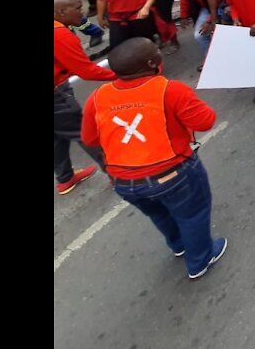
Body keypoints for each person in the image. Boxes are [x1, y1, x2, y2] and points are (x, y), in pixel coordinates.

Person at [81, 38, 227, 280]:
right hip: (174, 173)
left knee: (159, 214)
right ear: (152, 63)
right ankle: (200, 259)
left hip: (123, 181)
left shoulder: (97, 97)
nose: (160, 53)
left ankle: (178, 245)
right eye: (157, 51)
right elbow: (205, 121)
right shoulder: (171, 89)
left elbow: (90, 138)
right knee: (192, 215)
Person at [54, 0, 111, 194]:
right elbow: (86, 71)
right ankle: (117, 174)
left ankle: (65, 178)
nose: (84, 12)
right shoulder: (60, 34)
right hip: (57, 95)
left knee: (57, 137)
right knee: (85, 132)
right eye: (78, 8)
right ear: (61, 12)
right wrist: (123, 72)